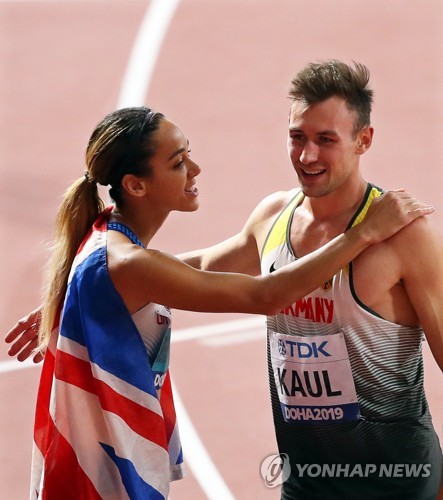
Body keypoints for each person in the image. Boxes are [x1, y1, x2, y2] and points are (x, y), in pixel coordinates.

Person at [5, 62, 441, 499]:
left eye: (325, 140)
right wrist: (87, 292)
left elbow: (177, 271)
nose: (307, 156)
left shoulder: (404, 236)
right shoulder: (274, 216)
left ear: (364, 139)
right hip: (307, 483)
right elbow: (208, 272)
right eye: (297, 137)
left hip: (400, 482)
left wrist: (94, 289)